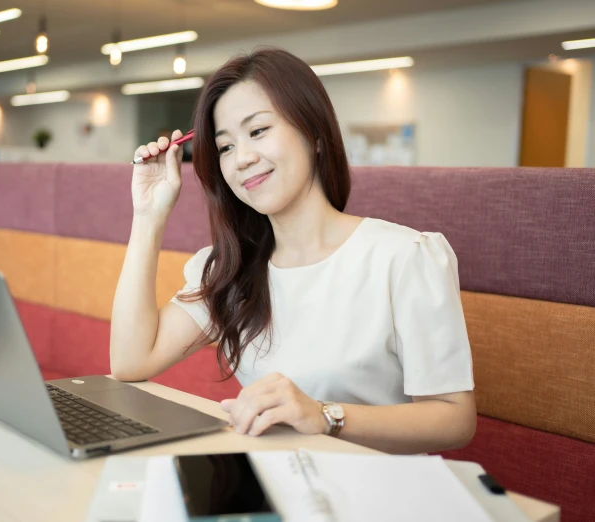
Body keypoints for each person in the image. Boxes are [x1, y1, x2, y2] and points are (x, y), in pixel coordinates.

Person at [110, 47, 476, 455]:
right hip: (270, 484)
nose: (243, 158)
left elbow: (454, 418)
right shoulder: (233, 269)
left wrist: (324, 415)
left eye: (258, 131)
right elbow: (130, 361)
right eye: (225, 146)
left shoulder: (405, 257)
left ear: (314, 135)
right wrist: (148, 215)